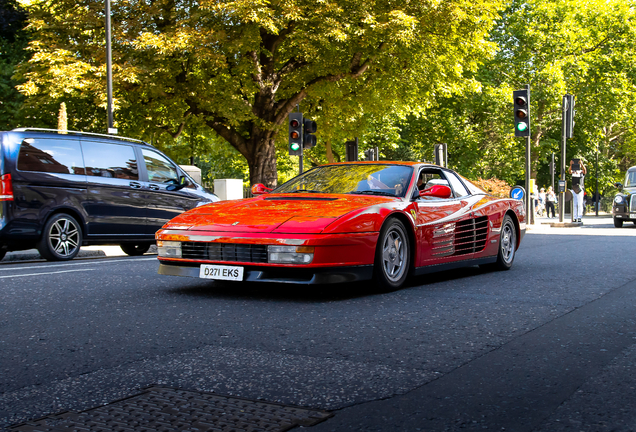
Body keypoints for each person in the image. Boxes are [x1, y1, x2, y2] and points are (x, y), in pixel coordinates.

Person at [568, 157, 587, 223]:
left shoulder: (581, 172)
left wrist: (582, 164)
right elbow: (569, 172)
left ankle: (579, 217)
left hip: (580, 189)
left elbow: (585, 171)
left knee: (579, 203)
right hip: (574, 188)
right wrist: (571, 165)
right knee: (574, 203)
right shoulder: (573, 172)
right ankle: (575, 217)